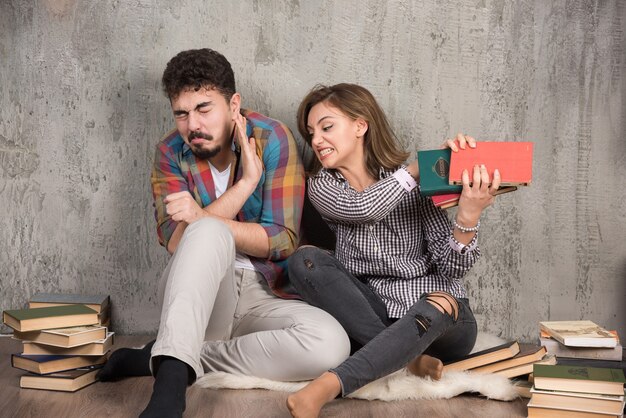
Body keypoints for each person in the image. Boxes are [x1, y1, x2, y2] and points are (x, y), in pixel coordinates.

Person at [96, 49, 350, 418]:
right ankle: (169, 392)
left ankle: (168, 355)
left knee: (331, 346)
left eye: (204, 108)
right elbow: (178, 243)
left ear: (233, 104)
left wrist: (201, 216)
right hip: (201, 297)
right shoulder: (169, 152)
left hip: (266, 291)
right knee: (207, 234)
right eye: (181, 113)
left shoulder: (271, 138)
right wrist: (246, 184)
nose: (192, 125)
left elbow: (282, 240)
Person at [285, 83, 502, 418]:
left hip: (439, 322)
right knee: (304, 259)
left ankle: (326, 387)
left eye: (326, 127)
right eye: (311, 132)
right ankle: (408, 358)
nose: (316, 141)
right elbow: (364, 207)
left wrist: (467, 215)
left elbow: (451, 268)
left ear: (360, 125)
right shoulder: (323, 187)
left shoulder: (416, 188)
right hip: (372, 314)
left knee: (441, 300)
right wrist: (420, 168)